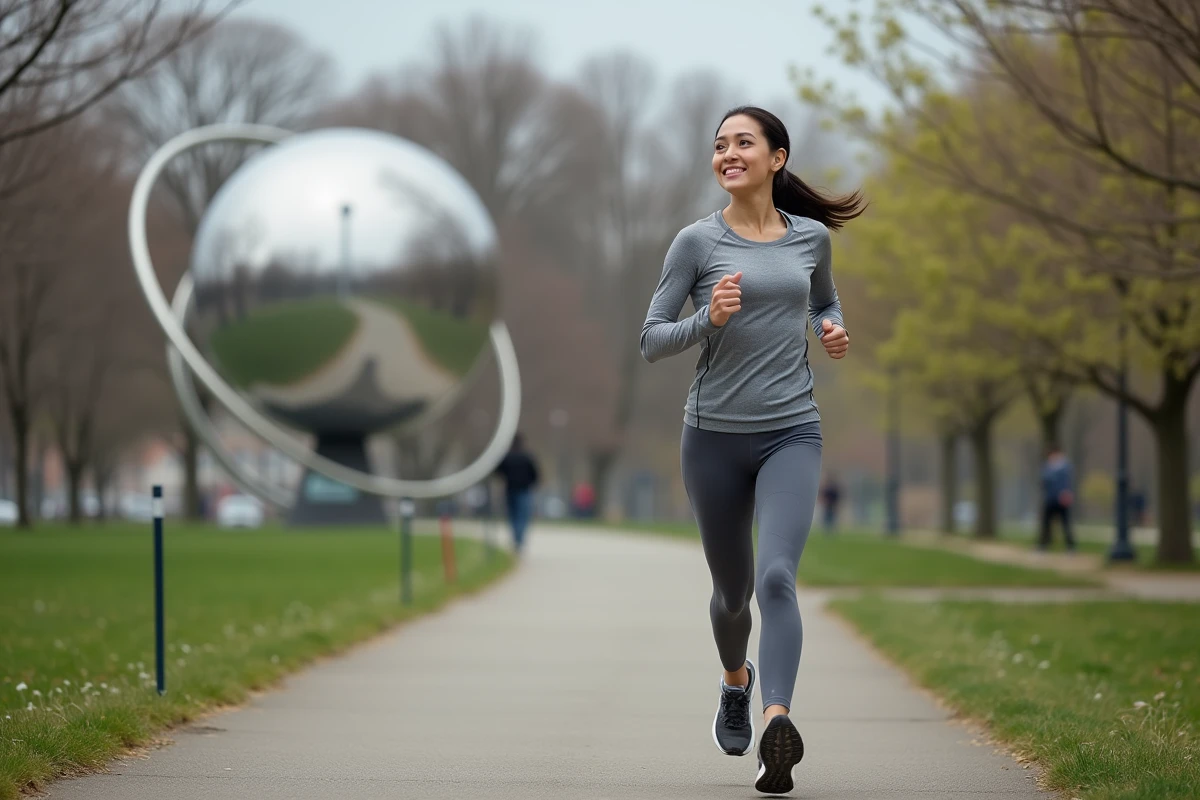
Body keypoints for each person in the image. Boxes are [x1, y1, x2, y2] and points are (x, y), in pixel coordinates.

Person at [640, 105, 863, 795]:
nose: (728, 154)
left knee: (777, 579)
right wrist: (708, 320)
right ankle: (736, 684)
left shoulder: (811, 239)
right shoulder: (695, 243)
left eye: (743, 143)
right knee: (733, 596)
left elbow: (825, 302)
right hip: (712, 439)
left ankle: (776, 726)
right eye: (719, 145)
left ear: (777, 158)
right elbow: (651, 339)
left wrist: (831, 329)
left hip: (791, 431)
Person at [494, 433, 540, 554]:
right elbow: (535, 474)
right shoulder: (527, 457)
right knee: (522, 516)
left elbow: (498, 471)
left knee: (513, 516)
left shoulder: (507, 457)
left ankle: (516, 538)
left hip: (510, 490)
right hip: (524, 490)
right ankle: (519, 539)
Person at [1038, 444, 1076, 552]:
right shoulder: (1047, 466)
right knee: (1046, 523)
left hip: (1062, 499)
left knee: (1065, 523)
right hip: (1050, 498)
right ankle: (1043, 544)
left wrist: (1067, 493)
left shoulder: (1065, 467)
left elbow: (1068, 482)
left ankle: (1070, 546)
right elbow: (1043, 481)